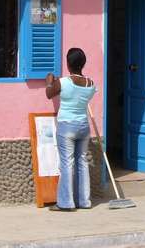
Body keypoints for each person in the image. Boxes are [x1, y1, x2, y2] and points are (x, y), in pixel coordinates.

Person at [45, 47, 96, 211]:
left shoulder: (63, 82)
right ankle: (84, 201)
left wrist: (49, 81)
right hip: (83, 126)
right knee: (83, 162)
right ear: (83, 64)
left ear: (68, 63)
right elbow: (79, 93)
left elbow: (49, 94)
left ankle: (66, 203)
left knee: (67, 164)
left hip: (66, 126)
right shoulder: (90, 83)